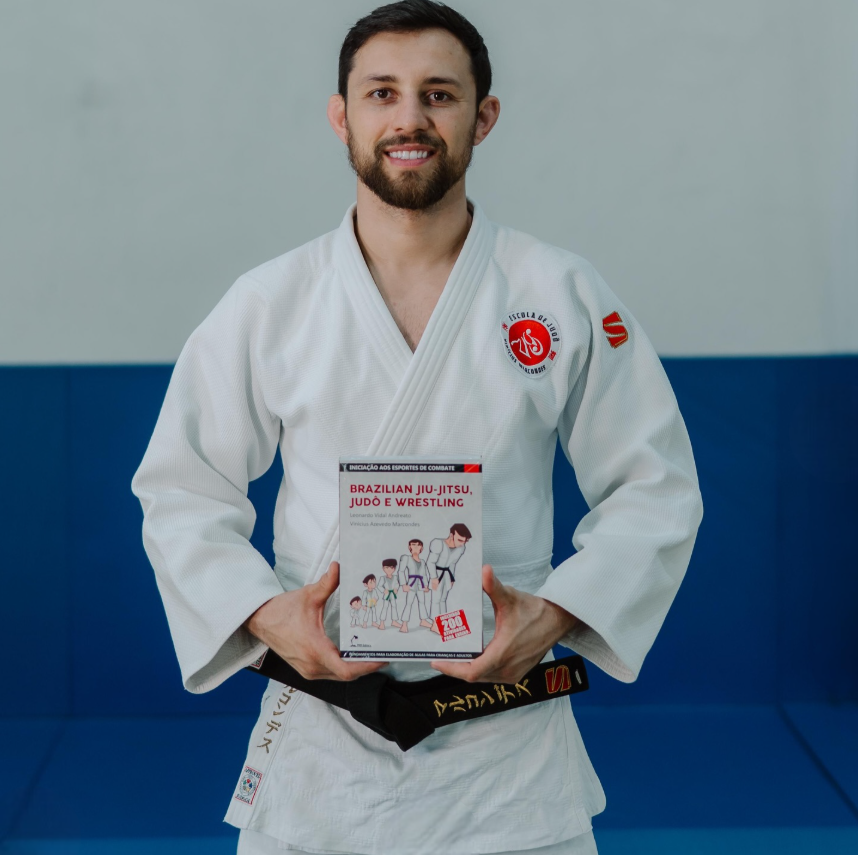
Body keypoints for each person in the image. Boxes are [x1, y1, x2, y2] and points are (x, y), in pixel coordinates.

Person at [130, 2, 703, 854]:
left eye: (439, 94)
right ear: (342, 116)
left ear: (483, 115)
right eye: (382, 93)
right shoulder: (270, 302)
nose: (409, 118)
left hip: (508, 752)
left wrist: (553, 615)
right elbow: (182, 487)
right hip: (322, 741)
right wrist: (261, 613)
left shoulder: (558, 292)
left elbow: (655, 487)